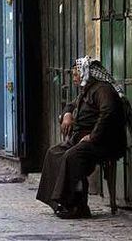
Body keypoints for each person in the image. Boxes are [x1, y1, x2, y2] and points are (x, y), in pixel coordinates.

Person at [36, 56, 127, 219]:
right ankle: (58, 202)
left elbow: (108, 113)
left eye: (76, 74)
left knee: (72, 156)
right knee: (53, 152)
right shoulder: (87, 90)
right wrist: (67, 114)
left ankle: (78, 206)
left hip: (103, 141)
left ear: (87, 73)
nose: (74, 78)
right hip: (81, 138)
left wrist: (92, 136)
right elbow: (71, 105)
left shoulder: (102, 90)